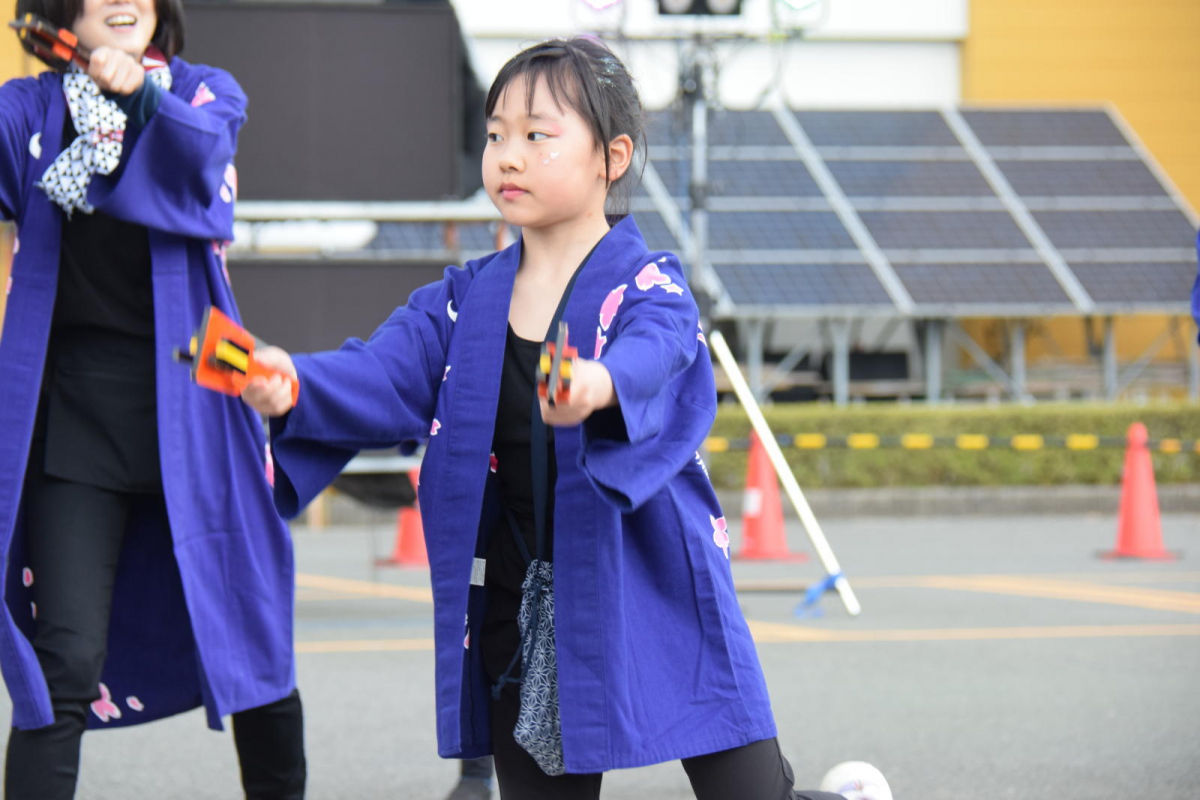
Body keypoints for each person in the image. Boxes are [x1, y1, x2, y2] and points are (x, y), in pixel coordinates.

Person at [245, 37, 875, 800]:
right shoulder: (462, 298)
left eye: (537, 135)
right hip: (526, 595)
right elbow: (380, 371)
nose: (508, 156)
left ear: (612, 157)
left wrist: (599, 384)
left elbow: (658, 350)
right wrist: (292, 383)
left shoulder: (650, 281)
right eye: (495, 135)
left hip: (652, 578)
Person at [0, 0, 306, 797]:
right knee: (58, 664)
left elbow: (200, 158)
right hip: (75, 419)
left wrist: (138, 97)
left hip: (203, 405)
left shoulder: (205, 92)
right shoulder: (32, 108)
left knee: (254, 645)